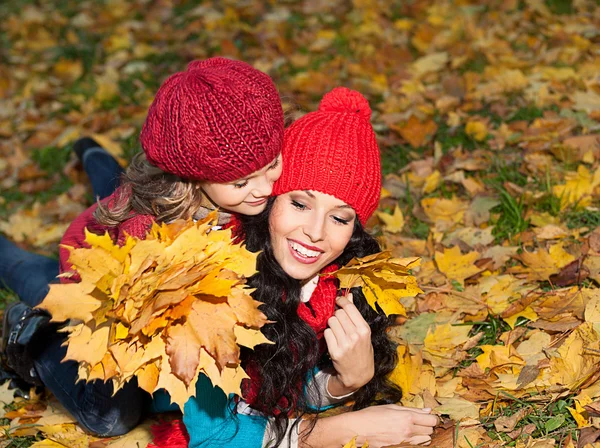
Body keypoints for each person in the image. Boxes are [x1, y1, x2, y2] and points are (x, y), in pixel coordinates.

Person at [0, 56, 285, 436]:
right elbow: (129, 320)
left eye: (273, 164)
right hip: (101, 283)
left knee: (119, 184)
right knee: (110, 416)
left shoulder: (241, 186)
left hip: (145, 197)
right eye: (242, 182)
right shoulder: (146, 231)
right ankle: (32, 332)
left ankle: (92, 153)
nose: (266, 188)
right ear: (193, 176)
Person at [177, 87, 438, 448]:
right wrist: (332, 433)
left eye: (339, 217)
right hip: (97, 348)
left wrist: (345, 381)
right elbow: (212, 436)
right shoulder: (212, 283)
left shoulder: (330, 282)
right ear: (268, 200)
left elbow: (274, 385)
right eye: (300, 204)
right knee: (111, 417)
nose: (315, 233)